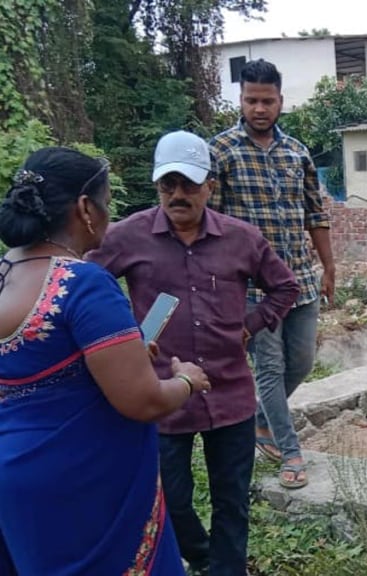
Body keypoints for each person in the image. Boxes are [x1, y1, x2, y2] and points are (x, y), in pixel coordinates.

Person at [87, 131, 301, 576]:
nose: (178, 195)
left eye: (188, 185)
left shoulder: (242, 239)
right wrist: (120, 336)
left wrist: (250, 325)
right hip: (163, 394)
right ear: (157, 186)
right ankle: (204, 559)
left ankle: (227, 569)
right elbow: (82, 288)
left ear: (209, 186)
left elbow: (285, 287)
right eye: (169, 185)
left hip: (230, 393)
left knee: (232, 499)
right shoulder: (129, 237)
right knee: (172, 499)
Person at [0, 147, 211, 575]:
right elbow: (143, 401)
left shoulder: (4, 273)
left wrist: (124, 355)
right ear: (85, 208)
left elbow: (41, 369)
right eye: (107, 202)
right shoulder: (84, 283)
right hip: (84, 484)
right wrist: (187, 381)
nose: (109, 214)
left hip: (16, 479)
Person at [209, 58, 336, 490]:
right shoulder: (220, 152)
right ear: (241, 101)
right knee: (269, 366)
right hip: (251, 287)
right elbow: (213, 223)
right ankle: (291, 452)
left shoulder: (297, 152)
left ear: (281, 101)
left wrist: (329, 266)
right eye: (251, 100)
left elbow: (316, 214)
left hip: (299, 278)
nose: (259, 108)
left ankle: (261, 419)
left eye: (267, 100)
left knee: (302, 361)